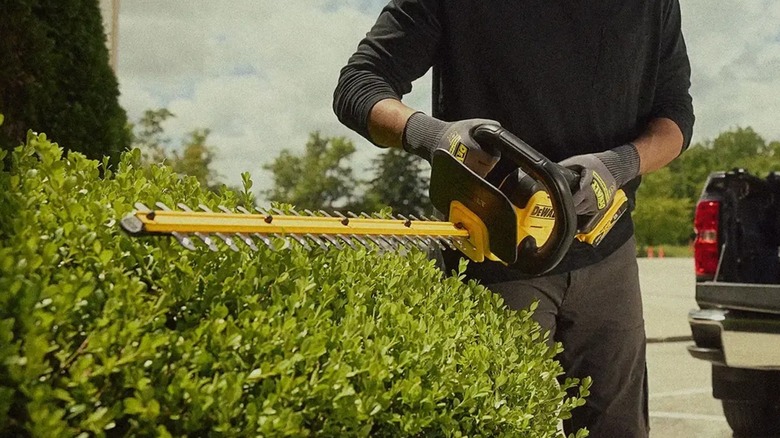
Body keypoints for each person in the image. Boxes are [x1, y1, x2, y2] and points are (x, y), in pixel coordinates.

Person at [332, 1, 694, 436]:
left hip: (607, 253)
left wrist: (621, 164)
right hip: (492, 255)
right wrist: (434, 136)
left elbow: (675, 114)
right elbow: (359, 85)